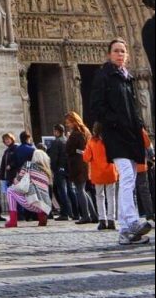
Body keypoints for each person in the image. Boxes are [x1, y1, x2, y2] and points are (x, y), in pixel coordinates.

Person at [90, 38, 153, 246]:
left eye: (123, 51)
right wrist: (114, 122)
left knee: (131, 180)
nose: (120, 54)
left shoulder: (128, 78)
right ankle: (133, 221)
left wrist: (142, 132)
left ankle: (126, 232)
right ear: (109, 54)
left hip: (132, 136)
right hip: (116, 135)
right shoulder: (103, 76)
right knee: (126, 177)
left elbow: (135, 109)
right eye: (116, 51)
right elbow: (96, 106)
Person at [4, 144, 52, 228]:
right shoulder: (47, 172)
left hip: (33, 204)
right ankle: (42, 218)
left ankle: (13, 221)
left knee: (10, 190)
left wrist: (15, 179)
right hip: (45, 207)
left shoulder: (28, 165)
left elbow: (17, 181)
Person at [84, 122, 118, 230]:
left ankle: (102, 220)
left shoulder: (91, 142)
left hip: (97, 172)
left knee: (99, 196)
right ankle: (111, 220)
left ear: (94, 130)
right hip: (110, 171)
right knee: (111, 196)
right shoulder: (110, 140)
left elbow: (86, 157)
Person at [64, 112, 96, 225]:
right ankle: (93, 215)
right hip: (83, 163)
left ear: (74, 121)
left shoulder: (76, 134)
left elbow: (69, 149)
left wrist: (68, 140)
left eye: (69, 122)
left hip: (78, 164)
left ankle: (86, 215)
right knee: (83, 190)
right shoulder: (84, 131)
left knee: (80, 190)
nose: (67, 125)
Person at [47, 124, 75, 220]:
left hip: (59, 169)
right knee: (70, 190)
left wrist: (53, 169)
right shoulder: (66, 140)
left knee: (61, 191)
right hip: (68, 169)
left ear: (57, 131)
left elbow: (54, 158)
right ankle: (74, 212)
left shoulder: (56, 142)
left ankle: (65, 212)